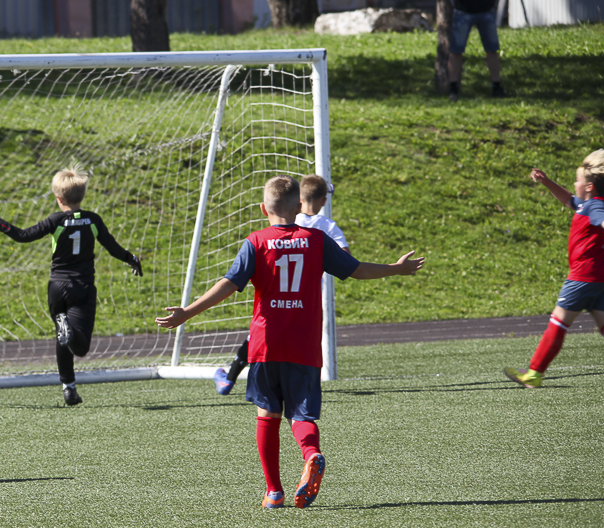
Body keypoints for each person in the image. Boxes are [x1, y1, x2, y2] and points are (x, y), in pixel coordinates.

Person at [157, 176, 423, 509]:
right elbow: (355, 269)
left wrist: (187, 312)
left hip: (266, 344)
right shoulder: (316, 240)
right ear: (299, 207)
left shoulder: (256, 241)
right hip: (304, 345)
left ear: (262, 208)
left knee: (267, 413)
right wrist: (396, 269)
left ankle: (274, 492)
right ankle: (311, 454)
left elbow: (229, 283)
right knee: (301, 414)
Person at [0, 165, 143, 406]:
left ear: (58, 198)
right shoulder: (93, 220)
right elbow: (113, 249)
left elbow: (22, 235)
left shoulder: (55, 220)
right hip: (82, 288)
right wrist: (132, 259)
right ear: (82, 195)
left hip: (57, 287)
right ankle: (67, 359)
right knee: (79, 347)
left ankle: (69, 388)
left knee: (63, 335)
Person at [214, 175, 349, 396]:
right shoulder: (325, 228)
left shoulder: (281, 225)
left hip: (274, 302)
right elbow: (347, 260)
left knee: (260, 340)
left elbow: (234, 279)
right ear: (323, 200)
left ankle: (229, 378)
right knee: (300, 352)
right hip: (305, 302)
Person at [504, 151, 604, 388]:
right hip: (600, 278)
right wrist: (547, 182)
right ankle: (534, 373)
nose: (574, 184)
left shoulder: (595, 207)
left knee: (558, 324)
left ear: (589, 187)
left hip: (582, 279)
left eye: (577, 180)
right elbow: (569, 199)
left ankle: (533, 374)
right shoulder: (587, 205)